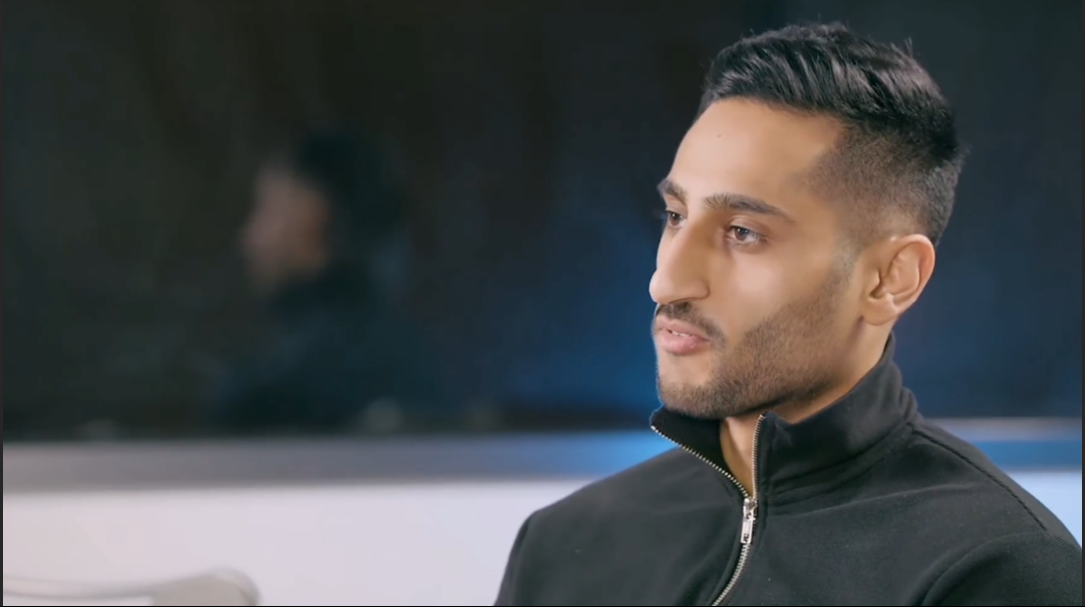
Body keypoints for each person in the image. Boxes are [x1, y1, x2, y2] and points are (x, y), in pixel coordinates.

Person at [494, 23, 1082, 606]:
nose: (666, 281)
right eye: (676, 216)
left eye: (743, 232)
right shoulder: (564, 546)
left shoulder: (998, 571)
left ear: (889, 278)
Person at [205, 130, 443, 434]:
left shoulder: (282, 390)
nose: (249, 238)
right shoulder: (404, 353)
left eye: (267, 209)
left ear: (314, 215)